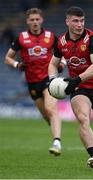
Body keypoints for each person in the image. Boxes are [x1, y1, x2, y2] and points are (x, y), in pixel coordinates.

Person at [48, 6, 93, 170]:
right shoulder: (61, 42)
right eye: (75, 21)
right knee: (83, 118)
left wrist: (76, 79)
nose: (79, 24)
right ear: (67, 22)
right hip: (79, 89)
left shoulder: (92, 39)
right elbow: (52, 64)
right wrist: (52, 80)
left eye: (82, 21)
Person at [5, 8, 66, 156]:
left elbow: (63, 53)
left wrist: (62, 63)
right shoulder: (21, 38)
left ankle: (57, 142)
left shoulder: (51, 37)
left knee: (51, 109)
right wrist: (17, 65)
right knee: (46, 115)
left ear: (42, 20)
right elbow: (8, 58)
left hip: (48, 79)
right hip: (32, 82)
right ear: (27, 21)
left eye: (37, 19)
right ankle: (54, 129)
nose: (35, 22)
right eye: (32, 20)